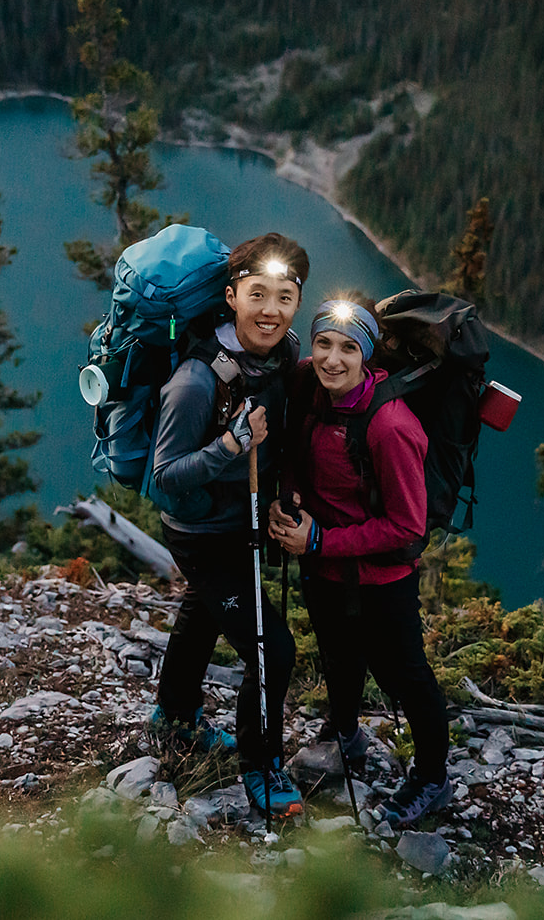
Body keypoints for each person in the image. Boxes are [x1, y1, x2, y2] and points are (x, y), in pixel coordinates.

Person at [269, 296, 453, 827]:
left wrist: (321, 540)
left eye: (348, 348)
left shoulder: (390, 426)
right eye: (323, 343)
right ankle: (345, 736)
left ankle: (433, 777)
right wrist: (291, 497)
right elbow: (292, 455)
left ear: (368, 357)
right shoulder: (311, 389)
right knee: (337, 655)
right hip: (323, 566)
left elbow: (407, 527)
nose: (331, 359)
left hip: (379, 579)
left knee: (405, 676)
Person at [147, 232, 308, 817]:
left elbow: (284, 443)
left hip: (241, 523)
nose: (271, 310)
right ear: (232, 295)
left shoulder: (284, 356)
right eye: (257, 294)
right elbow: (164, 476)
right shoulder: (195, 380)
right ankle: (259, 768)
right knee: (273, 651)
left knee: (203, 611)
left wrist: (280, 496)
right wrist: (231, 446)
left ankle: (175, 718)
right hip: (199, 531)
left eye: (285, 297)